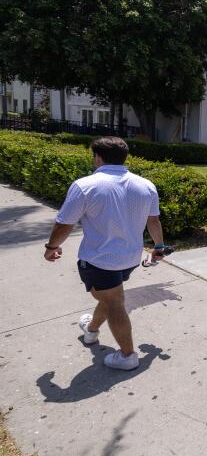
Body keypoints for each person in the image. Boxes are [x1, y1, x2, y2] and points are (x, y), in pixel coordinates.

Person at [43, 136, 165, 370]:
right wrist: (158, 247)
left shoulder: (85, 185)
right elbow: (154, 221)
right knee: (111, 297)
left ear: (98, 158)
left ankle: (128, 355)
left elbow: (64, 224)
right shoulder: (146, 185)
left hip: (100, 260)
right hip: (130, 259)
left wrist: (51, 247)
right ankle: (91, 330)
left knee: (114, 302)